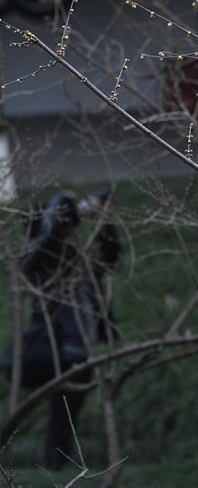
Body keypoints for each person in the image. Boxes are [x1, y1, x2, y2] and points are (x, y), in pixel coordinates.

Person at [15, 188, 120, 470]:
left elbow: (110, 258)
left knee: (66, 416)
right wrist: (64, 208)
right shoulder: (37, 262)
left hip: (82, 349)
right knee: (60, 416)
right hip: (54, 348)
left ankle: (58, 469)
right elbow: (46, 241)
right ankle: (54, 468)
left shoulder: (76, 259)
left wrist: (103, 221)